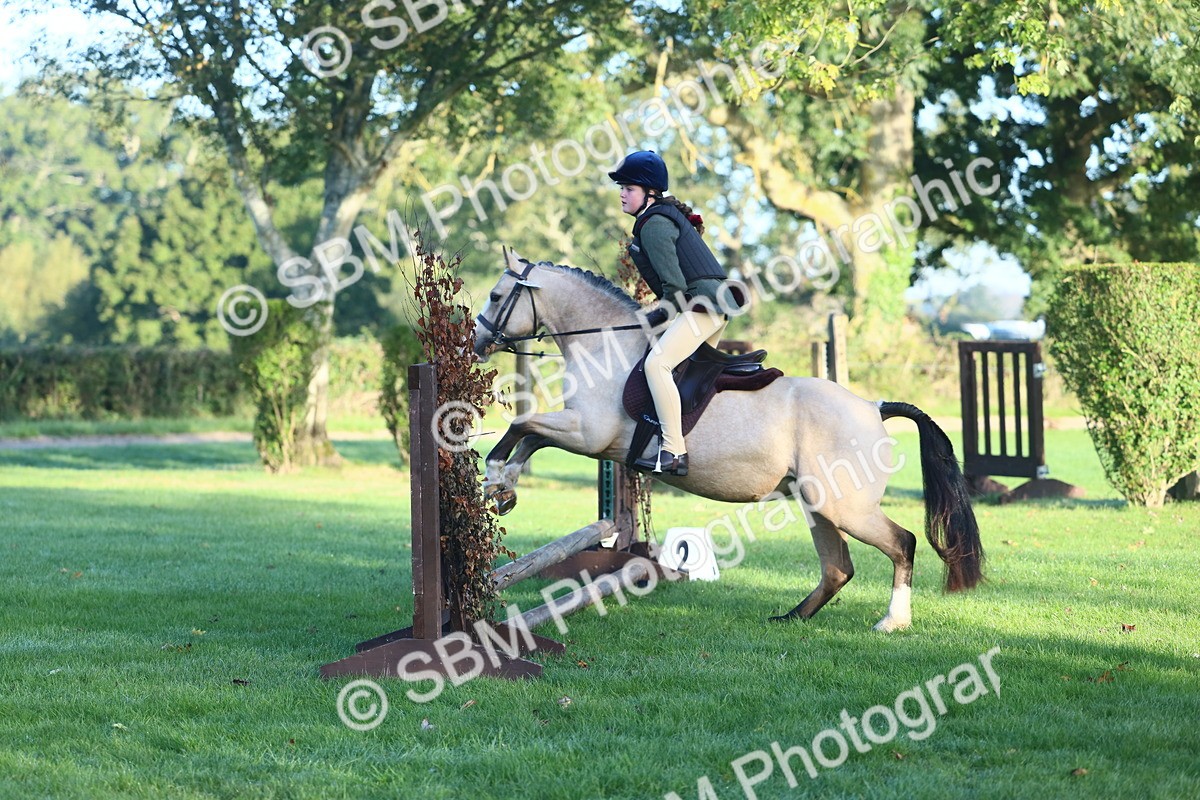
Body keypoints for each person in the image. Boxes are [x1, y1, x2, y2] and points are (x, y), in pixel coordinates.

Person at [610, 150, 733, 477]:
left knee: (657, 364)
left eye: (629, 188)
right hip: (712, 304)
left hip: (701, 304)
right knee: (682, 370)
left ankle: (673, 452)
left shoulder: (654, 225)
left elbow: (675, 287)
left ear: (649, 192)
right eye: (621, 187)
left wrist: (656, 316)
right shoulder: (659, 217)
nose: (622, 193)